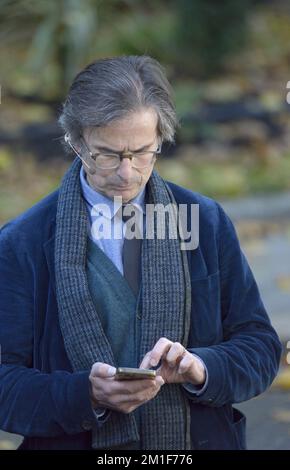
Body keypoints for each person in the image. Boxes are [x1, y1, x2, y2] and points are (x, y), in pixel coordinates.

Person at [0, 56, 281, 450]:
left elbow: (260, 348)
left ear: (161, 139)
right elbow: (5, 384)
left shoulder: (204, 222)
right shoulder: (22, 243)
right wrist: (85, 394)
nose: (126, 174)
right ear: (76, 141)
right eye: (108, 154)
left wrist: (202, 368)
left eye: (143, 152)